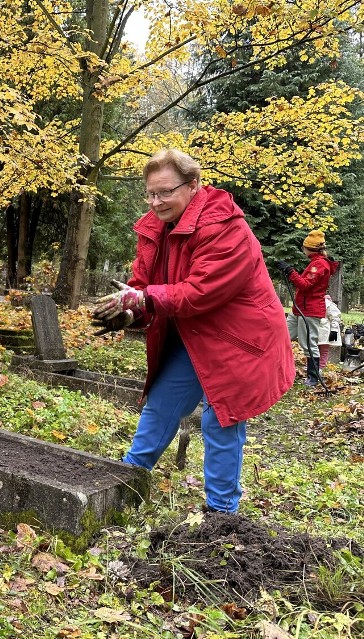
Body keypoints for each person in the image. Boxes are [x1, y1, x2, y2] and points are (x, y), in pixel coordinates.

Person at [91, 148, 294, 513]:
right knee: (162, 405)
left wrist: (145, 299)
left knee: (221, 419)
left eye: (166, 192)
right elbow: (142, 285)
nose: (156, 201)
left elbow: (202, 291)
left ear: (193, 185)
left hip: (239, 339)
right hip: (192, 333)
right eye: (151, 193)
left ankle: (221, 515)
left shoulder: (226, 227)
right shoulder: (154, 228)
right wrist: (131, 309)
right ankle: (125, 483)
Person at [277, 230, 340, 386]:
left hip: (310, 311)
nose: (302, 250)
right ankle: (276, 370)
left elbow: (305, 285)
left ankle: (313, 377)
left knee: (308, 344)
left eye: (304, 247)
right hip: (298, 310)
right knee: (281, 335)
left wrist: (290, 271)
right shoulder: (314, 262)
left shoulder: (320, 264)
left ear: (309, 248)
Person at [317, 294, 342, 370]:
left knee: (324, 350)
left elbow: (335, 317)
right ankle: (313, 366)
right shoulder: (314, 301)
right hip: (315, 328)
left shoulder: (328, 304)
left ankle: (321, 367)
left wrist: (334, 331)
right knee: (313, 348)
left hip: (325, 331)